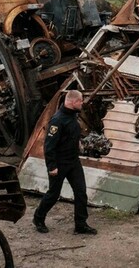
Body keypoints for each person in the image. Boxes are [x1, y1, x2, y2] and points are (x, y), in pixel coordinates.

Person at [32, 89, 97, 235]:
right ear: (73, 102)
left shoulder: (72, 115)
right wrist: (52, 166)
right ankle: (38, 218)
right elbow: (49, 146)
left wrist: (78, 143)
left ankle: (80, 225)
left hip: (73, 161)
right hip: (59, 163)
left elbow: (70, 135)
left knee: (81, 192)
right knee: (53, 194)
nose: (82, 103)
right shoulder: (57, 120)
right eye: (80, 101)